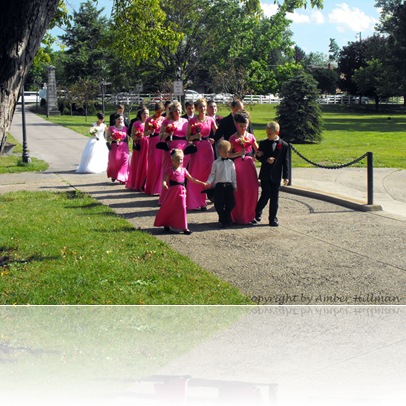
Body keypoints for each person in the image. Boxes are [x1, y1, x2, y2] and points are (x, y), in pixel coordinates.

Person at [154, 149, 207, 235]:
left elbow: (192, 179)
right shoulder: (170, 170)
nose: (179, 162)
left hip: (181, 192)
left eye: (181, 159)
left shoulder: (184, 170)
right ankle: (166, 222)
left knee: (182, 208)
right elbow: (164, 179)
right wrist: (164, 184)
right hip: (172, 193)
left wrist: (202, 183)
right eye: (177, 160)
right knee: (169, 207)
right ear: (173, 160)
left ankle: (185, 227)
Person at [255, 121, 290, 227]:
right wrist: (266, 159)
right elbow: (258, 156)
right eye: (267, 133)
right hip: (265, 175)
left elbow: (286, 162)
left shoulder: (284, 145)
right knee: (266, 194)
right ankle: (257, 210)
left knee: (274, 198)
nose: (268, 136)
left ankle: (273, 218)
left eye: (270, 134)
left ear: (277, 133)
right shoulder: (263, 143)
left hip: (276, 175)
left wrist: (286, 176)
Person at [228, 110, 259, 225]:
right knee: (239, 191)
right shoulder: (232, 138)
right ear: (237, 124)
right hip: (238, 167)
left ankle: (250, 215)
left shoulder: (251, 136)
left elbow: (258, 150)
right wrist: (238, 153)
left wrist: (258, 155)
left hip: (249, 166)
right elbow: (228, 154)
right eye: (241, 126)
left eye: (245, 126)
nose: (243, 128)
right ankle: (238, 215)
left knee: (252, 190)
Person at [186, 97, 216, 210]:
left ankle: (204, 200)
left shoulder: (210, 119)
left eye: (204, 106)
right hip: (197, 149)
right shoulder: (192, 121)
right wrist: (195, 136)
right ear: (197, 108)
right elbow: (187, 137)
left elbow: (218, 132)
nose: (202, 109)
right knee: (196, 174)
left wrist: (214, 139)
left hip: (208, 149)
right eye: (200, 107)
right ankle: (195, 201)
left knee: (207, 174)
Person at [158, 101, 190, 205]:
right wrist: (168, 133)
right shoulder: (166, 121)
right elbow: (160, 136)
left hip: (183, 149)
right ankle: (166, 197)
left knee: (180, 172)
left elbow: (188, 135)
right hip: (170, 148)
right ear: (171, 111)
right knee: (169, 171)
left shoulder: (185, 121)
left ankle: (179, 196)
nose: (178, 112)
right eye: (176, 110)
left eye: (179, 110)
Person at [205, 140, 237, 228]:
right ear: (219, 151)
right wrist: (208, 182)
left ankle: (226, 216)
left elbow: (233, 175)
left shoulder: (231, 163)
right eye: (225, 152)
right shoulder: (215, 163)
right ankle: (222, 219)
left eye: (228, 152)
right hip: (219, 186)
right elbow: (212, 174)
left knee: (231, 203)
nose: (227, 154)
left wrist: (235, 185)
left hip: (228, 185)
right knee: (219, 204)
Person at [126, 106, 149, 191]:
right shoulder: (136, 123)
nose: (146, 115)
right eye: (144, 114)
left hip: (148, 146)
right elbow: (132, 135)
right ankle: (137, 182)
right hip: (140, 146)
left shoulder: (150, 123)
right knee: (138, 164)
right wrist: (137, 137)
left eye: (147, 114)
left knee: (146, 165)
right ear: (140, 114)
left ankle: (145, 183)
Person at [144, 102, 165, 195]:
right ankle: (151, 187)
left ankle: (160, 188)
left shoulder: (164, 119)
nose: (159, 114)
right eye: (158, 112)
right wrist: (150, 131)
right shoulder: (149, 119)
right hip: (153, 142)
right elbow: (144, 133)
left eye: (161, 112)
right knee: (154, 164)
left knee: (161, 164)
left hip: (161, 141)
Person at [106, 114, 129, 184]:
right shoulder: (111, 128)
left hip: (124, 146)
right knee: (115, 162)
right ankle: (114, 175)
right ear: (115, 120)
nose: (120, 121)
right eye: (118, 119)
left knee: (125, 161)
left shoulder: (125, 128)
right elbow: (107, 138)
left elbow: (130, 135)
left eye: (121, 119)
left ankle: (122, 178)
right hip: (114, 146)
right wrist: (114, 138)